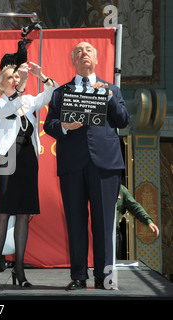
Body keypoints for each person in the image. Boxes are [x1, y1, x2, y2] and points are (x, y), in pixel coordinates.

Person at [43, 42, 130, 290]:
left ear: (96, 58)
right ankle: (79, 276)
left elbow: (123, 120)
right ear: (73, 60)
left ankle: (104, 277)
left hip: (105, 164)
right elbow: (49, 125)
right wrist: (64, 126)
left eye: (88, 50)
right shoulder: (61, 93)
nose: (84, 54)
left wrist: (109, 98)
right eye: (79, 51)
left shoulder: (111, 89)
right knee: (75, 221)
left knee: (104, 223)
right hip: (72, 164)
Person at [0, 61, 58, 289]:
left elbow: (52, 94)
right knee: (3, 213)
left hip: (28, 157)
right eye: (11, 78)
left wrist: (41, 76)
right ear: (1, 83)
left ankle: (19, 267)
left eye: (18, 77)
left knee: (24, 214)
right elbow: (9, 109)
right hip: (7, 157)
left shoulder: (27, 101)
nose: (16, 80)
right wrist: (21, 88)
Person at [116, 184, 159, 259]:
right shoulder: (95, 186)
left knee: (111, 265)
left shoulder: (120, 189)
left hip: (113, 234)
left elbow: (135, 207)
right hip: (94, 232)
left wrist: (148, 221)